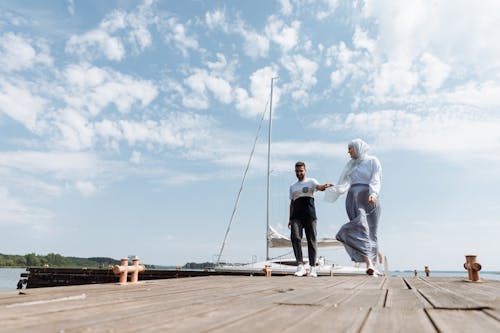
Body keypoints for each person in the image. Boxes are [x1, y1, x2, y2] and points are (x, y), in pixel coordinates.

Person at [324, 139, 382, 276]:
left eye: (350, 148)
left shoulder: (373, 161)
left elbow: (376, 178)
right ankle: (368, 263)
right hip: (354, 198)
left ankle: (373, 265)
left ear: (358, 148)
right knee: (361, 227)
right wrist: (335, 189)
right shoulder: (350, 164)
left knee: (372, 233)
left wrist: (373, 194)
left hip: (369, 197)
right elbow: (344, 183)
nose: (348, 151)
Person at [289, 161, 332, 277]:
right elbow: (292, 203)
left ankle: (313, 267)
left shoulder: (311, 182)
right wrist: (290, 219)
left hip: (310, 216)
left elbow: (319, 187)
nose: (299, 173)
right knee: (295, 238)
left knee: (311, 240)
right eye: (297, 171)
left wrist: (324, 186)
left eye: (301, 171)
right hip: (296, 217)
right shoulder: (293, 187)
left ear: (305, 170)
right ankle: (300, 266)